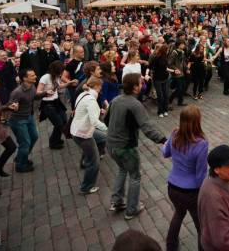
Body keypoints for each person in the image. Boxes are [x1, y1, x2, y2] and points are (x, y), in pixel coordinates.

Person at [106, 73, 167, 220]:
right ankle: (132, 209)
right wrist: (163, 139)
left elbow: (106, 119)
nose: (143, 85)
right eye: (141, 83)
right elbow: (147, 127)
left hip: (111, 145)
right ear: (135, 87)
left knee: (122, 170)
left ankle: (117, 201)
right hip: (125, 147)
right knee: (135, 176)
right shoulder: (135, 104)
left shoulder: (116, 100)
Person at [162, 105, 208, 251]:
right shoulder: (201, 144)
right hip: (191, 192)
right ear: (198, 121)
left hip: (173, 188)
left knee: (179, 214)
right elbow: (201, 173)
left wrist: (165, 144)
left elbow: (165, 153)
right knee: (200, 224)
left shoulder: (175, 134)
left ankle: (171, 246)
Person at [71, 77, 107, 195]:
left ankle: (91, 156)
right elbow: (95, 122)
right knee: (94, 162)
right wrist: (108, 129)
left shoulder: (83, 94)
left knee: (102, 138)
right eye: (101, 87)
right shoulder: (91, 100)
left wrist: (99, 110)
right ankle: (86, 187)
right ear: (97, 86)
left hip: (78, 129)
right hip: (83, 133)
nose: (101, 89)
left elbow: (83, 110)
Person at [8, 68, 46, 172]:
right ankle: (20, 166)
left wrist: (45, 93)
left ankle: (21, 157)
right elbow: (9, 106)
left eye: (35, 75)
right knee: (25, 143)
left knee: (34, 136)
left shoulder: (32, 86)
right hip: (18, 120)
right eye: (32, 76)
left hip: (29, 117)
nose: (35, 77)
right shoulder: (17, 92)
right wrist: (13, 106)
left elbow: (34, 97)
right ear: (24, 78)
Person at [37, 60, 76, 150]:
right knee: (58, 124)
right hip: (48, 104)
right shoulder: (45, 77)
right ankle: (53, 143)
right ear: (56, 70)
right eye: (61, 70)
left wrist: (69, 83)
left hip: (56, 101)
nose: (62, 72)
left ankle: (57, 139)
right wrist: (46, 92)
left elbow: (59, 86)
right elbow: (38, 92)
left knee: (63, 121)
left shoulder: (57, 77)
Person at [149, 44, 174, 117]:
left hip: (165, 78)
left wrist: (173, 71)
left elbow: (166, 68)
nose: (168, 51)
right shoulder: (155, 58)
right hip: (157, 79)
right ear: (164, 50)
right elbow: (151, 67)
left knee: (166, 95)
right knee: (160, 96)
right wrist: (149, 74)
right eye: (168, 50)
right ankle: (160, 111)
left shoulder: (166, 57)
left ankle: (165, 110)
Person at [168, 40, 187, 107]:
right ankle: (171, 99)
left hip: (182, 72)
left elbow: (183, 62)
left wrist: (186, 69)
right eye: (182, 44)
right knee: (179, 88)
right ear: (178, 45)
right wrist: (176, 69)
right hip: (177, 73)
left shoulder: (182, 52)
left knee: (183, 87)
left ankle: (178, 101)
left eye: (184, 44)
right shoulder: (174, 52)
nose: (184, 45)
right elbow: (170, 63)